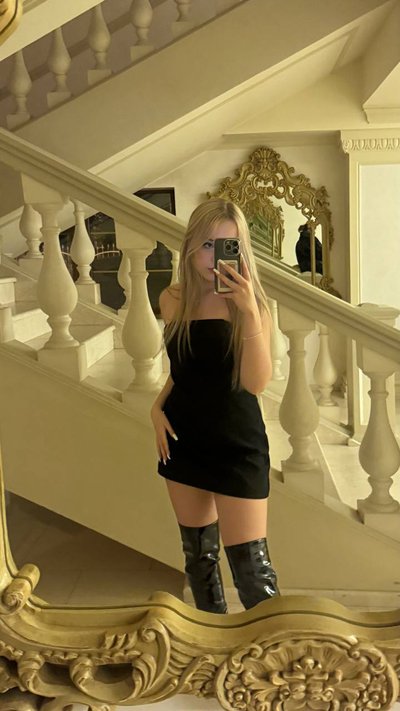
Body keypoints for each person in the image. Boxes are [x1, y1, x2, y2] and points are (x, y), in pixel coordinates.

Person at [150, 198, 279, 613]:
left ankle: (273, 652)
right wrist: (157, 407)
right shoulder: (172, 299)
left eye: (227, 245)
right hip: (183, 438)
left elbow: (255, 383)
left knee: (253, 576)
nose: (214, 257)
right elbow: (186, 367)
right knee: (199, 561)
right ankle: (210, 648)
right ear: (190, 245)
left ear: (241, 250)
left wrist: (247, 313)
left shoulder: (252, 306)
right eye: (207, 244)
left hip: (237, 445)